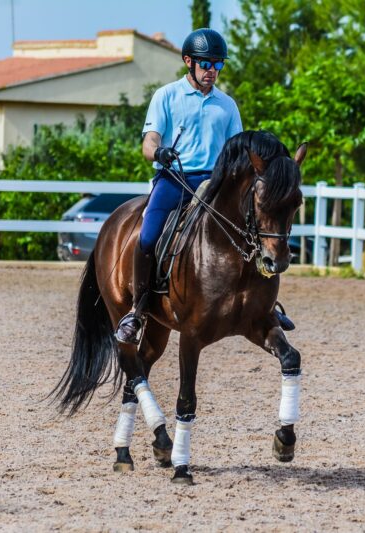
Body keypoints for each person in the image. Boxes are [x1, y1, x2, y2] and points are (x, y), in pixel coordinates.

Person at [116, 28, 294, 345]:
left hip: (214, 181)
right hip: (174, 178)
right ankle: (137, 309)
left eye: (218, 65)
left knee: (252, 229)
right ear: (189, 62)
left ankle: (266, 306)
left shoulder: (227, 106)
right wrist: (160, 152)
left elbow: (239, 151)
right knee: (148, 236)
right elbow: (149, 142)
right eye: (206, 64)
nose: (212, 71)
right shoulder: (166, 96)